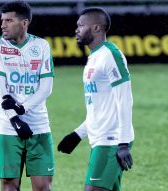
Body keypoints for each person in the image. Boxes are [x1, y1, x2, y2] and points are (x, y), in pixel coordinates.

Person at [57, 7, 134, 191]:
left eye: (81, 25)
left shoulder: (110, 55)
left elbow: (125, 100)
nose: (76, 29)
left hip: (111, 140)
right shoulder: (94, 57)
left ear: (97, 28)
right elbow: (98, 107)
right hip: (100, 139)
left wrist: (122, 142)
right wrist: (78, 134)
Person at [0, 1, 55, 191]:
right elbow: (1, 91)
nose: (3, 25)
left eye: (9, 20)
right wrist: (15, 119)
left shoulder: (41, 46)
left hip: (39, 125)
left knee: (43, 187)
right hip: (8, 128)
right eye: (2, 20)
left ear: (24, 23)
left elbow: (46, 88)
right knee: (9, 186)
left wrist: (22, 108)